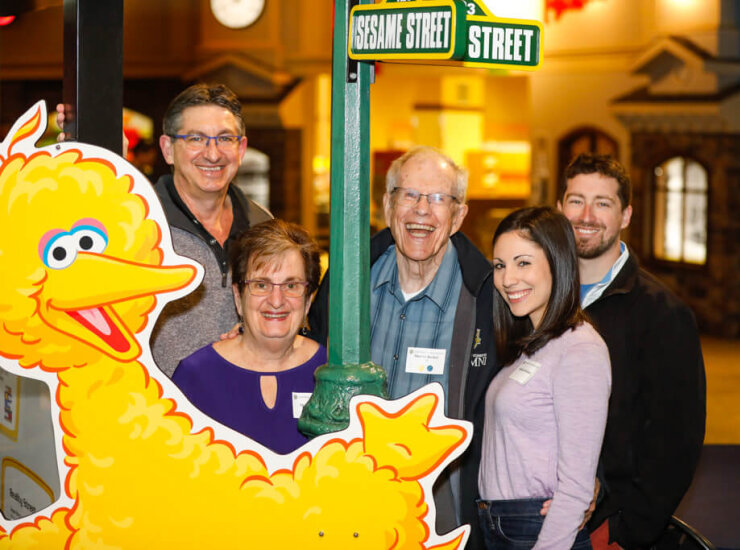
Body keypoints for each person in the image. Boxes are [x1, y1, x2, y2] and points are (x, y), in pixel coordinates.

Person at [308, 146, 498, 546]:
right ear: (387, 204)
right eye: (409, 194)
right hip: (345, 505)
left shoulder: (487, 300)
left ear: (459, 215)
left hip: (440, 514)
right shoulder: (344, 283)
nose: (421, 211)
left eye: (437, 198)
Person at [557, 154, 706, 549]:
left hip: (609, 528)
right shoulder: (534, 297)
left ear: (625, 215)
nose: (586, 215)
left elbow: (676, 444)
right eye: (576, 200)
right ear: (559, 208)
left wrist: (626, 533)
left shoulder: (663, 315)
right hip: (532, 516)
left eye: (602, 203)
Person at [478, 207, 611, 550]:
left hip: (536, 531)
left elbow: (577, 486)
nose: (508, 279)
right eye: (500, 265)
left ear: (556, 262)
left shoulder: (579, 349)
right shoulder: (533, 344)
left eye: (523, 263)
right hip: (503, 526)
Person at [151, 83, 272, 376]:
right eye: (196, 138)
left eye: (225, 139)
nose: (213, 154)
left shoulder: (263, 226)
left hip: (241, 405)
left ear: (241, 149)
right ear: (168, 149)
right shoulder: (137, 225)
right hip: (158, 411)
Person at [173, 219, 324, 454]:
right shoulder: (196, 377)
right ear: (238, 296)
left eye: (291, 285)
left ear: (308, 300)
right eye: (261, 285)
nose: (276, 300)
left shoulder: (329, 373)